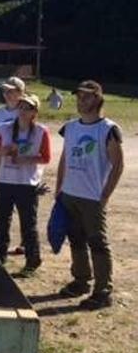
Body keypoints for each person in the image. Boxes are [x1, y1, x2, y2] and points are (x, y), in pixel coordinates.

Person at [55, 80, 124, 310]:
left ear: (97, 98)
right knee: (75, 239)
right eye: (78, 97)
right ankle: (81, 280)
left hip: (92, 197)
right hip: (70, 193)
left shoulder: (107, 129)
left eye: (85, 97)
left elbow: (118, 164)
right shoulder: (71, 127)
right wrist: (59, 188)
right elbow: (65, 159)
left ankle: (103, 290)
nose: (80, 101)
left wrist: (105, 195)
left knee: (97, 242)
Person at [0, 94, 51, 275]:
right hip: (5, 181)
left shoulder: (41, 131)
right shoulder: (5, 128)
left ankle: (33, 261)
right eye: (21, 107)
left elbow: (46, 158)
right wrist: (3, 151)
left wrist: (25, 158)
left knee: (28, 224)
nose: (23, 111)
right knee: (1, 221)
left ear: (35, 112)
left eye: (28, 108)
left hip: (27, 183)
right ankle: (0, 256)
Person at [0, 77, 26, 176]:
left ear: (20, 93)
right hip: (0, 156)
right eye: (5, 90)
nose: (7, 94)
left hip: (18, 157)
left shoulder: (25, 111)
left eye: (11, 91)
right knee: (0, 187)